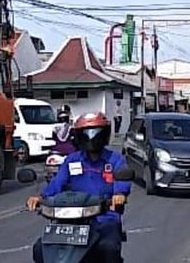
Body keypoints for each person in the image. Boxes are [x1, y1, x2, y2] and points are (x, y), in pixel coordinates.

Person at [27, 112, 130, 263]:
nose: (91, 138)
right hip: (70, 221)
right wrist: (41, 198)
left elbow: (122, 182)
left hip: (104, 218)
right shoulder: (71, 160)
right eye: (86, 134)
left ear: (105, 134)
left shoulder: (115, 160)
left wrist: (119, 194)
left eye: (96, 133)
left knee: (109, 249)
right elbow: (57, 183)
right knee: (40, 249)